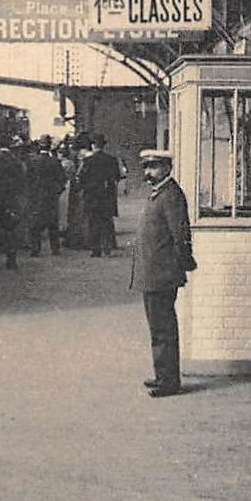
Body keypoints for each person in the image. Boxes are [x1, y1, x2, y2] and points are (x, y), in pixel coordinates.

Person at [132, 149, 195, 398]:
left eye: (154, 167)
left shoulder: (171, 195)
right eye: (146, 167)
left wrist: (182, 264)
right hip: (155, 271)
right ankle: (162, 375)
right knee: (158, 327)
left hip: (162, 272)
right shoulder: (160, 193)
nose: (149, 172)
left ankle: (169, 381)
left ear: (167, 168)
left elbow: (180, 236)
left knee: (163, 328)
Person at [0, 137, 28, 270]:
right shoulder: (15, 161)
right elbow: (20, 182)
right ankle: (11, 261)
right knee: (10, 231)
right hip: (10, 201)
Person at [77, 134, 121, 257]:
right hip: (107, 195)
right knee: (106, 222)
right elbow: (117, 176)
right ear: (104, 145)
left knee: (93, 222)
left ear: (93, 145)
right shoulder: (112, 160)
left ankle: (96, 249)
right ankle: (107, 247)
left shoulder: (88, 161)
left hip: (92, 196)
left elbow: (81, 178)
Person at [22, 141, 67, 256]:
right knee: (52, 222)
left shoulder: (31, 162)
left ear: (39, 148)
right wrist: (58, 191)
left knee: (35, 222)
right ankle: (55, 248)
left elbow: (27, 179)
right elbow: (62, 178)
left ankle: (35, 249)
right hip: (51, 196)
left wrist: (30, 193)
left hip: (36, 196)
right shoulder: (55, 161)